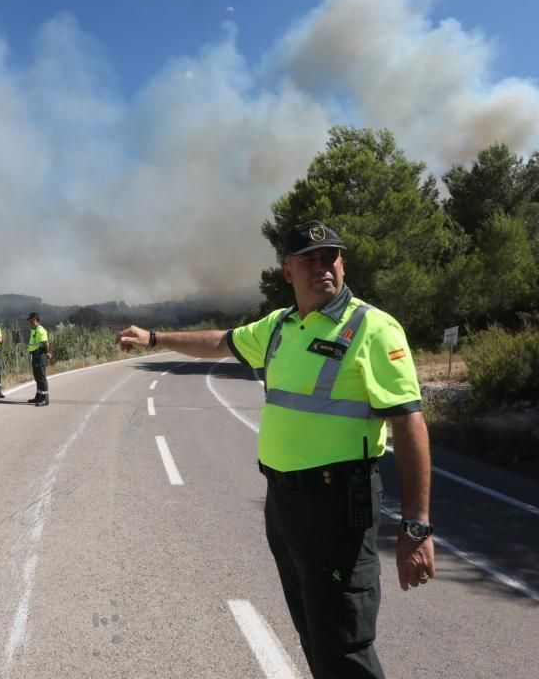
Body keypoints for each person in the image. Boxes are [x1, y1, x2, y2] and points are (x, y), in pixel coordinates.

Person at [116, 220, 434, 679]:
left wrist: (417, 527)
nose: (323, 268)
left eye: (331, 257)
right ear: (288, 272)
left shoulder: (373, 328)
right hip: (285, 503)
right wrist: (154, 339)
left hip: (339, 505)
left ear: (342, 263)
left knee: (345, 643)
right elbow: (222, 342)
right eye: (310, 260)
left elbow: (409, 424)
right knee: (313, 632)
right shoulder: (281, 326)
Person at [26, 312, 51, 406]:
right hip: (35, 354)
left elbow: (46, 343)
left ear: (34, 320)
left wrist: (48, 353)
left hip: (40, 354)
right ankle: (39, 396)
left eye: (30, 320)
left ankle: (45, 399)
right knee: (37, 377)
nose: (28, 322)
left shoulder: (41, 330)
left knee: (41, 377)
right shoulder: (34, 329)